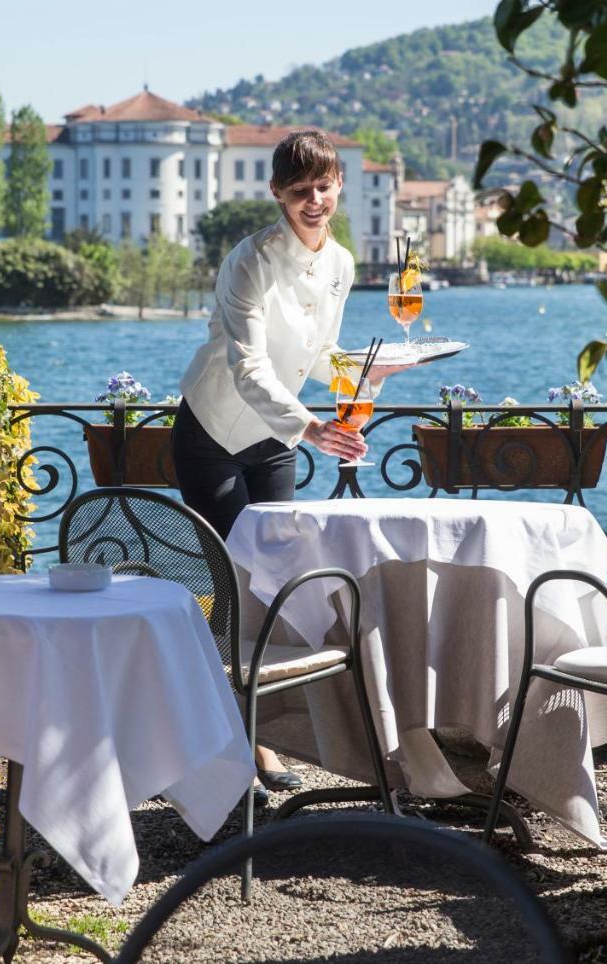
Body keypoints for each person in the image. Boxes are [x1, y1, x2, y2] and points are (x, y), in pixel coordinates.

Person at [172, 129, 401, 801]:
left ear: (338, 188)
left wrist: (370, 373)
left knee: (270, 587)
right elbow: (247, 365)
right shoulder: (248, 260)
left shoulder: (343, 264)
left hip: (275, 437)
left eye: (324, 187)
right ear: (277, 194)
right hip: (212, 427)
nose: (313, 201)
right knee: (228, 587)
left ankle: (260, 733)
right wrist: (310, 425)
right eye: (299, 191)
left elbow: (322, 354)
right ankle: (232, 747)